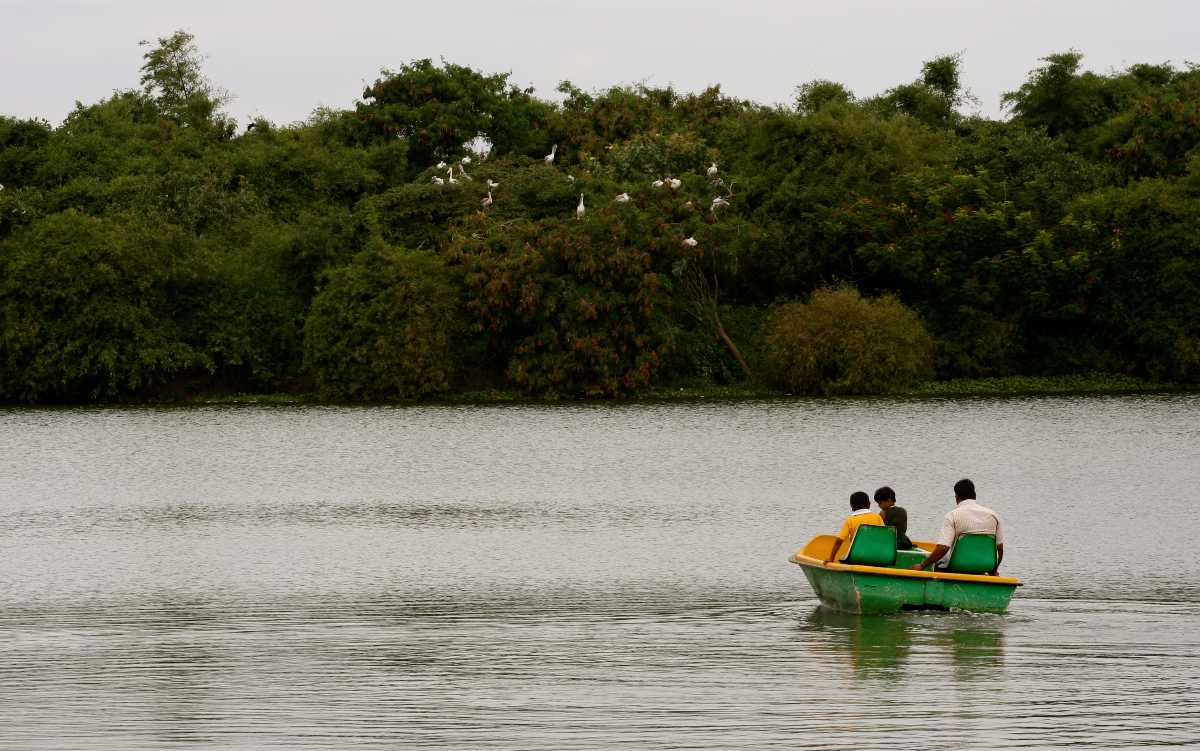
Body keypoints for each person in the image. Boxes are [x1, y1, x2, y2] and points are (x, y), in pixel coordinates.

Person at [910, 478, 1004, 575]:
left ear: (956, 497)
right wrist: (994, 569)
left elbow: (943, 548)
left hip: (958, 566)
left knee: (939, 561)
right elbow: (1000, 548)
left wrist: (922, 565)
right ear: (974, 495)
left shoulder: (952, 516)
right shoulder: (993, 515)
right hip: (985, 567)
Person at [835, 491, 885, 557]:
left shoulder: (850, 520)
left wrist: (831, 558)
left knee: (842, 557)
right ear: (869, 504)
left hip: (857, 556)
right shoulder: (877, 517)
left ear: (851, 506)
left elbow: (840, 540)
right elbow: (884, 535)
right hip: (876, 554)